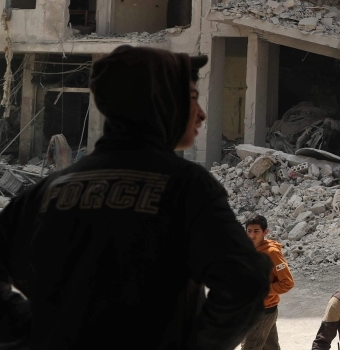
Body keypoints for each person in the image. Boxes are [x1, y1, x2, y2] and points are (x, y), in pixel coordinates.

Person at [0, 45, 271, 348]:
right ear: (162, 102)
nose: (202, 114)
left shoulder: (46, 192)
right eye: (193, 98)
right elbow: (246, 280)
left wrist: (31, 330)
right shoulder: (185, 188)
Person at [243, 215, 294, 350]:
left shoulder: (272, 253)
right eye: (249, 231)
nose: (252, 235)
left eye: (256, 231)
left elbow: (287, 282)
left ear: (265, 232)